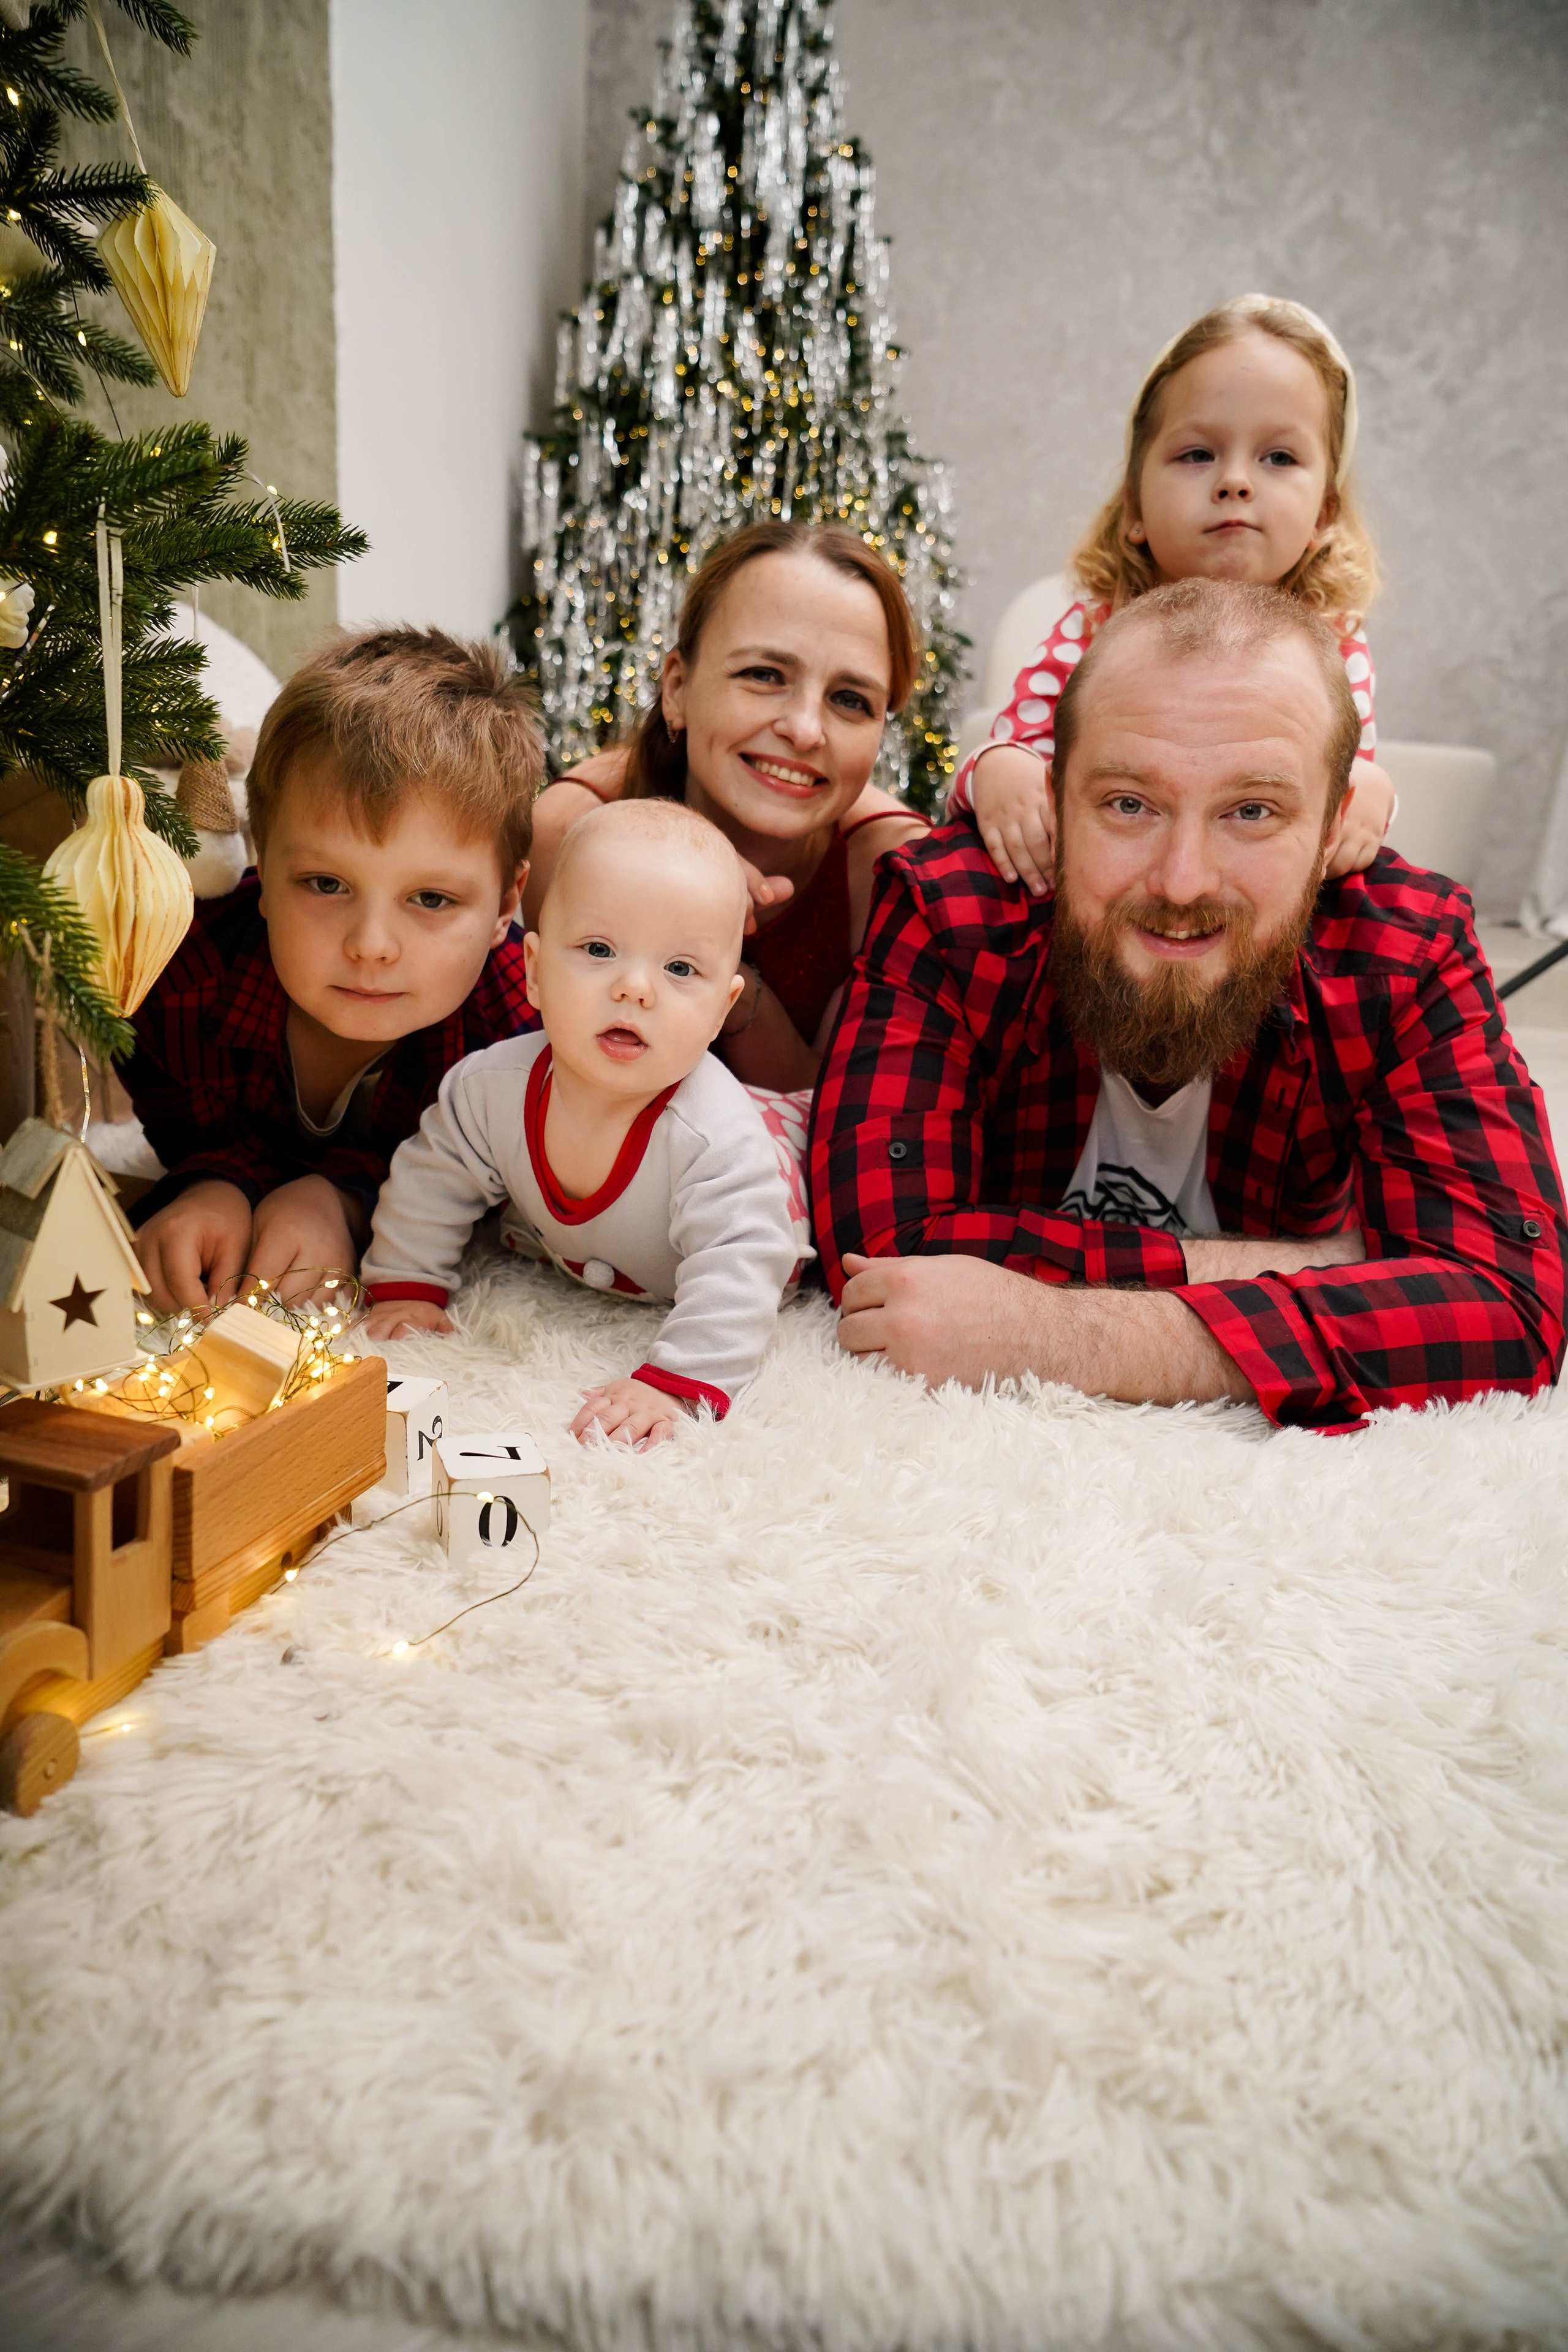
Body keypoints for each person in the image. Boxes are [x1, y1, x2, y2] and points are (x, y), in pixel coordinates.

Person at [812, 579, 1567, 1433]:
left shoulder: (1405, 948)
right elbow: (887, 1254)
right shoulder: (949, 908)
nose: (1182, 882)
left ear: (1332, 829)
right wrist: (1319, 1266)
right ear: (1056, 801)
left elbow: (1510, 1300)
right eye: (1128, 804)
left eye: (1252, 811)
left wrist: (1056, 1334)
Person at [123, 628, 540, 1313]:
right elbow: (192, 1135)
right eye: (325, 884)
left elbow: (505, 1189)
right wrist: (211, 1184)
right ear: (261, 862)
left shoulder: (526, 1031)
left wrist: (346, 1201)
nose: (371, 946)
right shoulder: (175, 981)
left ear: (504, 905)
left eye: (431, 899)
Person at [362, 799, 800, 1450]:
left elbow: (741, 1265)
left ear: (721, 1009)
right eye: (599, 949)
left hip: (787, 1160)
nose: (635, 988)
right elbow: (432, 1177)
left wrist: (674, 1385)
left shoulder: (717, 1141)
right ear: (535, 971)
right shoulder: (491, 1090)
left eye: (680, 969)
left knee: (803, 1156)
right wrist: (407, 1283)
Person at [954, 294, 1396, 897]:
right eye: (1197, 454)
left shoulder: (1333, 643)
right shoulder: (1097, 625)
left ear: (1323, 515)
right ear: (1135, 506)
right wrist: (994, 768)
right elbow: (1019, 752)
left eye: (1278, 457)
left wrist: (1373, 791)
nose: (1235, 481)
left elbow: (1341, 783)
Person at [522, 520, 927, 1095]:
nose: (805, 730)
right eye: (764, 675)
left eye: (850, 700)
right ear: (677, 689)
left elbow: (839, 1115)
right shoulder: (569, 831)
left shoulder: (892, 875)